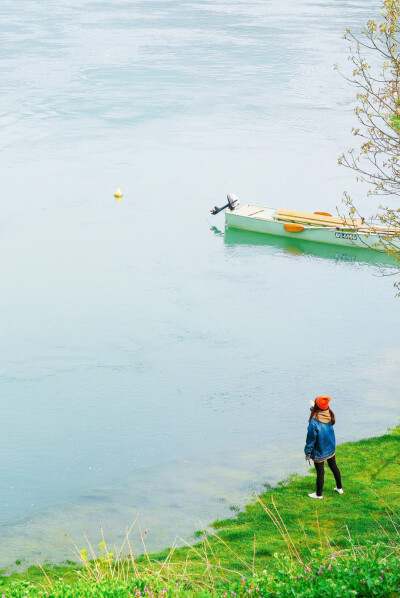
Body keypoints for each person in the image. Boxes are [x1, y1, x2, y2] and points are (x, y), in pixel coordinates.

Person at [304, 396, 343, 499]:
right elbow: (320, 412)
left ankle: (318, 495)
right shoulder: (329, 414)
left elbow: (310, 440)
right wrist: (314, 407)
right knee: (334, 467)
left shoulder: (313, 422)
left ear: (317, 407)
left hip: (319, 451)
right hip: (330, 448)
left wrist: (308, 454)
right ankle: (339, 488)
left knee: (320, 472)